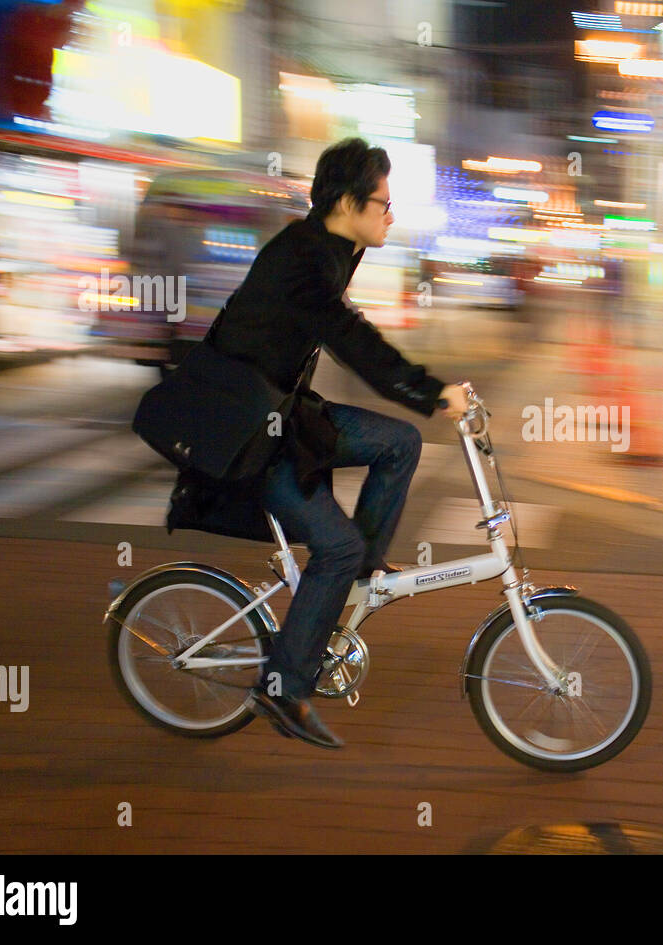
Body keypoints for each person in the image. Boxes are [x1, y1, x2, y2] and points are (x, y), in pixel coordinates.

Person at [209, 138, 468, 750]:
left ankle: (356, 577)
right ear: (348, 203)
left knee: (399, 444)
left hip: (282, 411)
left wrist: (424, 397)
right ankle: (283, 686)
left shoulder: (330, 248)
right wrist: (432, 391)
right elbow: (350, 338)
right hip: (248, 428)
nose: (391, 214)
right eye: (382, 202)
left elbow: (345, 332)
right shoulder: (303, 260)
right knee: (336, 546)